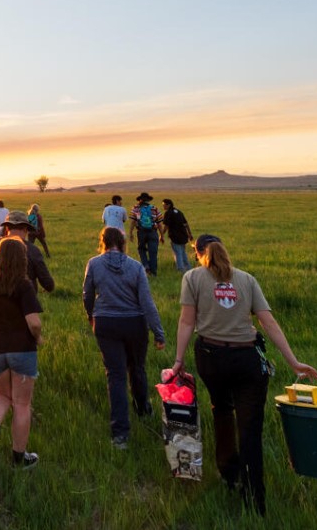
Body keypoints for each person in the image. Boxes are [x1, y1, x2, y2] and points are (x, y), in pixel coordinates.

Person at [171, 234, 317, 515]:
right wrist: (294, 362)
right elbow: (268, 322)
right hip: (247, 360)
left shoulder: (192, 278)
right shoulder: (247, 279)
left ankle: (229, 472)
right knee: (251, 429)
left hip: (212, 358)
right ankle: (255, 499)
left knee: (222, 410)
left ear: (200, 253)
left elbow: (186, 321)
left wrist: (179, 360)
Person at [82, 227, 166, 449]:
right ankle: (143, 410)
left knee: (116, 376)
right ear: (122, 242)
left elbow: (87, 294)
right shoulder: (136, 266)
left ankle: (120, 434)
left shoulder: (94, 264)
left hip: (106, 323)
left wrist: (90, 315)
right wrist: (158, 332)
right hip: (135, 324)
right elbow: (147, 302)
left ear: (103, 242)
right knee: (137, 368)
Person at [0, 237, 42, 469]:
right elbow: (33, 322)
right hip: (22, 348)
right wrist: (38, 337)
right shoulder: (23, 285)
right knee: (22, 403)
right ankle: (19, 457)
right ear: (21, 259)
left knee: (2, 395)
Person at [0, 215, 54, 320]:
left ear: (7, 228)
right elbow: (48, 284)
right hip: (24, 311)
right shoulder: (33, 250)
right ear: (25, 229)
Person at [129, 192, 161, 277]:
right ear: (148, 200)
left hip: (141, 232)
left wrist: (131, 232)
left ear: (140, 200)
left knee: (141, 249)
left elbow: (133, 221)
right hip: (153, 232)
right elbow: (159, 223)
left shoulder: (136, 208)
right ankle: (153, 272)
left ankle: (146, 266)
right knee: (153, 252)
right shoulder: (154, 208)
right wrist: (161, 234)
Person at [162, 199, 192, 271]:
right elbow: (186, 224)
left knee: (177, 253)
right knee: (183, 252)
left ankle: (181, 269)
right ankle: (188, 268)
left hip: (175, 236)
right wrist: (189, 234)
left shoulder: (168, 213)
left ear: (168, 205)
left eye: (164, 205)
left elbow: (166, 226)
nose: (163, 207)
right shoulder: (179, 212)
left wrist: (161, 235)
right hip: (183, 235)